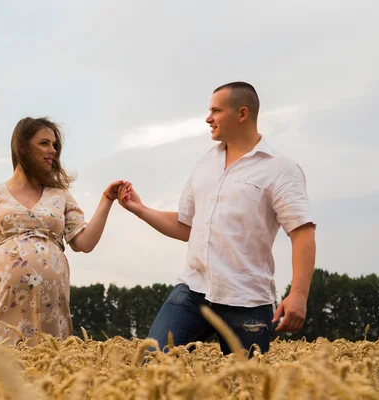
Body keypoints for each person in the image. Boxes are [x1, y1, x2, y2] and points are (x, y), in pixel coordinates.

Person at [118, 82, 316, 356]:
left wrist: (299, 295)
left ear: (242, 114)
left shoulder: (280, 169)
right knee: (153, 364)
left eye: (215, 110)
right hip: (193, 290)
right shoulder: (204, 164)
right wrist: (141, 210)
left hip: (247, 298)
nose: (208, 118)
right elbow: (186, 226)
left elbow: (302, 232)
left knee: (246, 385)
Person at [0, 117, 123, 347]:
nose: (52, 150)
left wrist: (106, 200)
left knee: (50, 375)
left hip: (51, 311)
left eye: (55, 145)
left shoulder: (60, 195)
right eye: (44, 143)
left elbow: (84, 243)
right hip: (2, 308)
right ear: (22, 146)